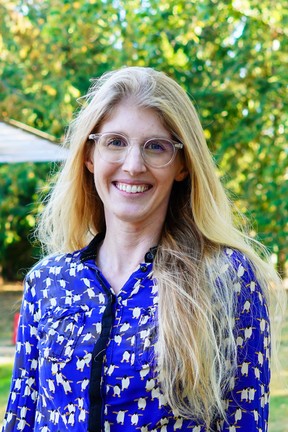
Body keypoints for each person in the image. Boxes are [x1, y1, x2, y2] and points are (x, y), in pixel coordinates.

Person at [2, 66, 284, 432]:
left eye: (156, 147)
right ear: (90, 155)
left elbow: (244, 422)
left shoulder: (226, 278)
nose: (133, 165)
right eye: (115, 142)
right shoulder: (47, 283)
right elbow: (21, 419)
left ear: (182, 165)